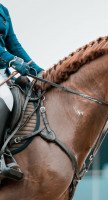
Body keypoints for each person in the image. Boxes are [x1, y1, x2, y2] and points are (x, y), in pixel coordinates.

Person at [0, 3, 43, 181]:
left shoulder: (3, 10)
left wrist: (38, 70)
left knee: (25, 92)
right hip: (3, 68)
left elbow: (14, 45)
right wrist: (11, 61)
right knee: (6, 97)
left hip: (3, 71)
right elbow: (9, 53)